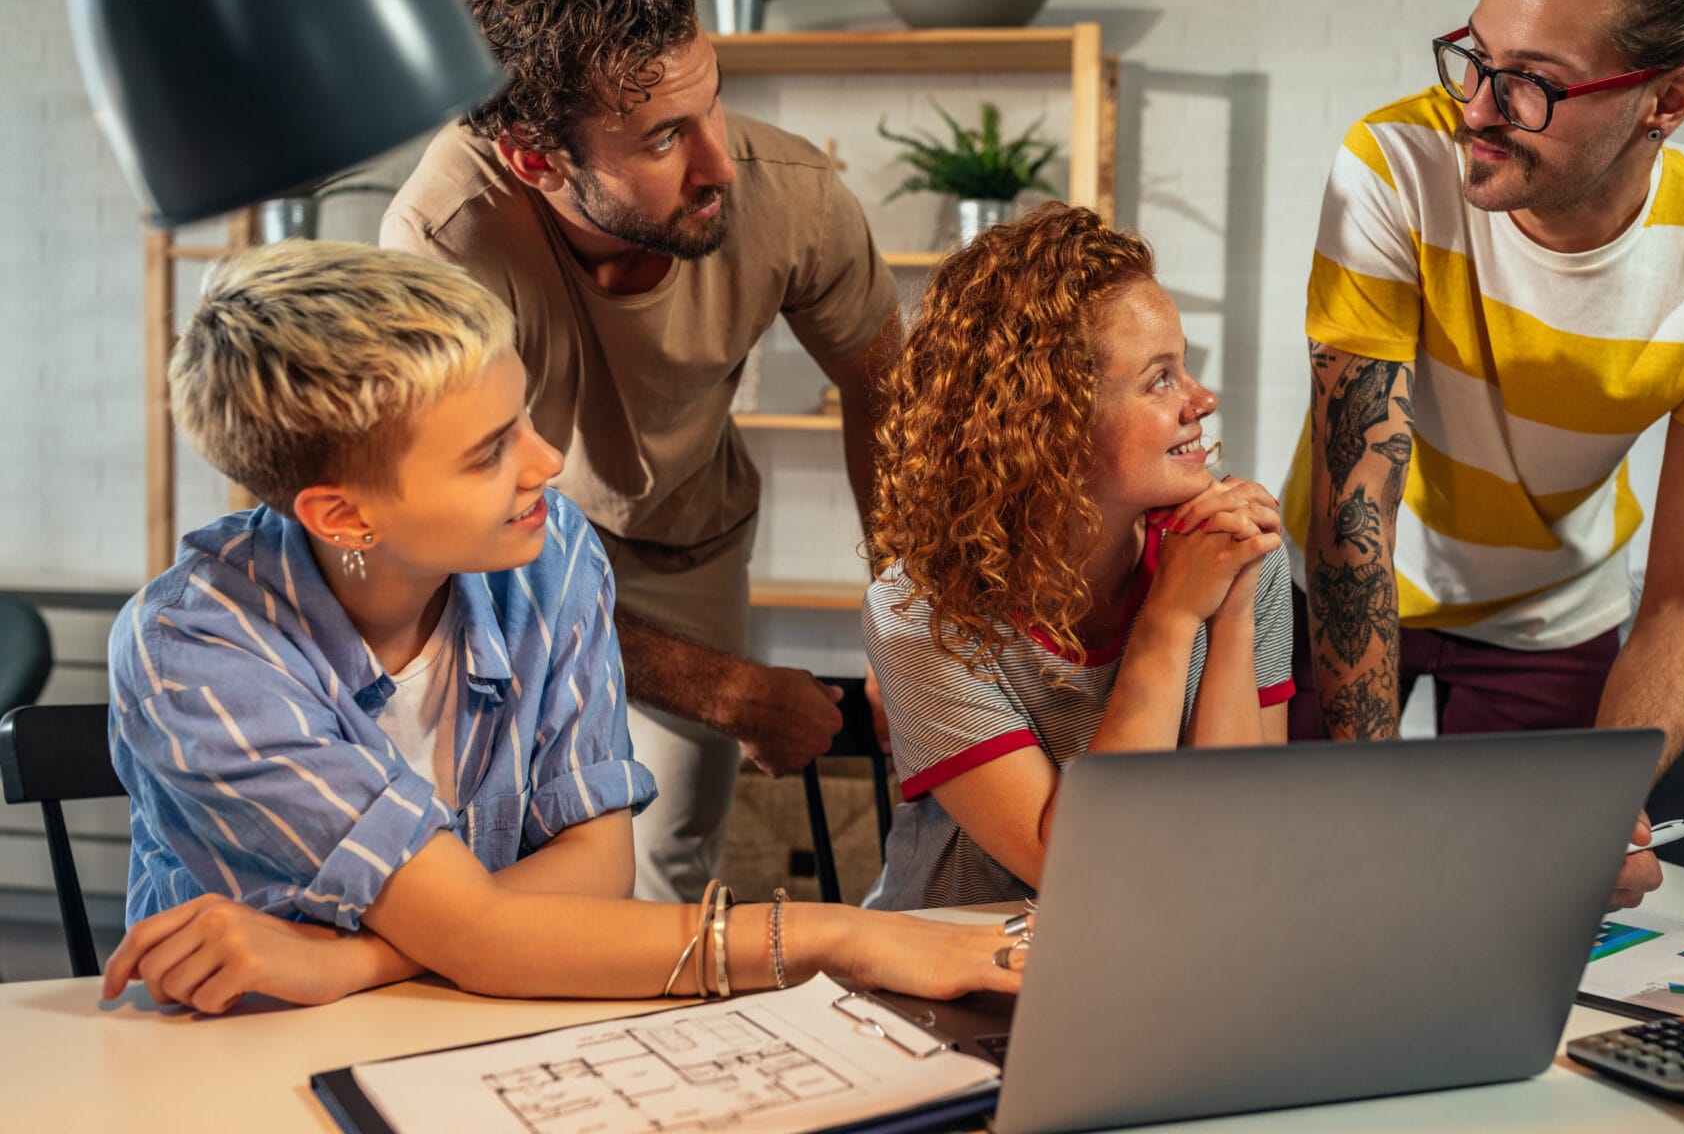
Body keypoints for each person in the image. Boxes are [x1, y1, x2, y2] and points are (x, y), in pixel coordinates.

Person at [100, 241, 1021, 1016]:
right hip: (237, 1064)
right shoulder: (196, 651)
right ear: (342, 517)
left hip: (469, 1031)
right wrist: (849, 935)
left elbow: (594, 871)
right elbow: (488, 938)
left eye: (524, 416)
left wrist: (353, 959)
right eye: (488, 451)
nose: (545, 462)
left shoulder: (549, 552)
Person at [1279, 0, 1684, 907]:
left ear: (1668, 99)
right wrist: (1360, 810)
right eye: (1472, 58)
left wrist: (1601, 787)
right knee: (1307, 883)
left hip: (1551, 612)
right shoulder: (1394, 163)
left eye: (1530, 82)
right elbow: (1356, 535)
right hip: (1339, 581)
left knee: (1526, 906)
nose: (1477, 107)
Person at [381, 0, 900, 902]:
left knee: (666, 862)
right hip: (497, 550)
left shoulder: (790, 197)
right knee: (482, 847)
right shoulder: (442, 243)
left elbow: (886, 386)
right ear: (537, 160)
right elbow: (448, 541)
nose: (720, 164)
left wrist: (904, 618)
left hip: (682, 537)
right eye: (666, 136)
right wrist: (734, 688)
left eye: (713, 104)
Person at [861, 204, 1294, 910]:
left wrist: (1235, 606)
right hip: (952, 979)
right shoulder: (920, 609)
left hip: (1157, 955)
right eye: (1161, 379)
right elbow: (1077, 868)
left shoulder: (1232, 555)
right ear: (1050, 422)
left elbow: (1238, 840)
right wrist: (1173, 618)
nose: (1203, 401)